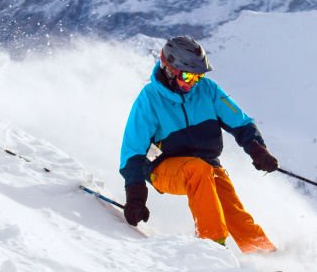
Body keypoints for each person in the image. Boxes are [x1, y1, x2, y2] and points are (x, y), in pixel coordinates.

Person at [119, 35, 280, 253]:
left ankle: (263, 254)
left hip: (206, 165)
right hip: (162, 168)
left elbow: (240, 123)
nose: (192, 83)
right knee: (198, 170)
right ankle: (212, 250)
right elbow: (132, 152)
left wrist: (258, 150)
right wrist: (136, 197)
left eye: (197, 77)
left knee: (230, 206)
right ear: (169, 69)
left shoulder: (207, 90)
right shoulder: (149, 99)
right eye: (187, 76)